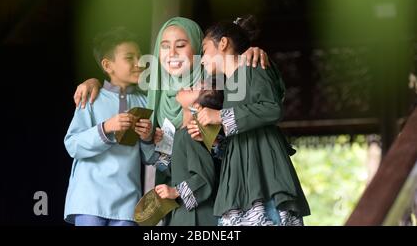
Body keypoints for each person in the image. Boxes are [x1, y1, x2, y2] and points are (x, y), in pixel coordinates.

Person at [71, 17, 270, 196]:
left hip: (224, 197)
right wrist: (94, 82)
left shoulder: (218, 84)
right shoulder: (153, 98)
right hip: (174, 200)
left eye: (181, 45)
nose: (172, 53)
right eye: (165, 46)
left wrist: (248, 54)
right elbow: (156, 161)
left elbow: (245, 136)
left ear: (199, 48)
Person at [189, 15, 311, 226]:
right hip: (240, 175)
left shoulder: (253, 64)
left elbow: (272, 109)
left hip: (262, 169)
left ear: (224, 43)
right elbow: (242, 125)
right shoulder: (230, 85)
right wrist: (214, 138)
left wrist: (219, 116)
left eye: (205, 49)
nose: (202, 58)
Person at [63, 28, 161, 226]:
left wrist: (147, 137)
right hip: (89, 199)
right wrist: (106, 127)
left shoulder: (145, 102)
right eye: (129, 57)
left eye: (139, 57)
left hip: (128, 203)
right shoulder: (91, 98)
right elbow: (72, 145)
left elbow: (151, 158)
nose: (138, 63)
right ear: (108, 65)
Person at [155, 78, 223, 226]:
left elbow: (205, 177)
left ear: (196, 107)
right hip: (182, 215)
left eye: (191, 89)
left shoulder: (192, 135)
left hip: (197, 218)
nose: (185, 87)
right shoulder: (180, 134)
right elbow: (167, 171)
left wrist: (175, 192)